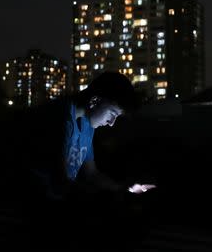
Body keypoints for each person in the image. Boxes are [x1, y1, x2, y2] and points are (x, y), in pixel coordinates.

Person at [24, 71, 156, 204]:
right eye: (112, 114)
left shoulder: (87, 124)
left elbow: (91, 174)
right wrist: (106, 198)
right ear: (94, 101)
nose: (111, 123)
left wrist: (126, 189)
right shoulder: (60, 119)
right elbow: (59, 182)